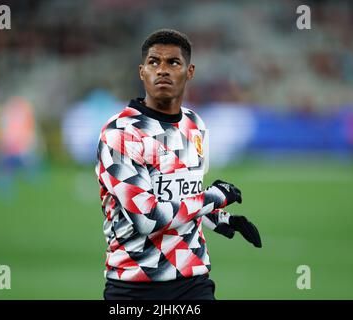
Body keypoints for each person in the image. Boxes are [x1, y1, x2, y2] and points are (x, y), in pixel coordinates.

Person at [95, 29, 262, 300]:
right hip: (134, 286)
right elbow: (148, 219)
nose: (162, 70)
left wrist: (220, 218)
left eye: (173, 62)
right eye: (154, 62)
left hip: (193, 281)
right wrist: (216, 197)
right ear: (141, 71)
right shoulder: (120, 134)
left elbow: (184, 197)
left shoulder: (195, 125)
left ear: (190, 71)